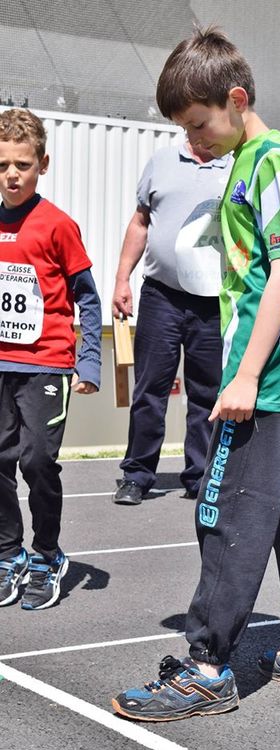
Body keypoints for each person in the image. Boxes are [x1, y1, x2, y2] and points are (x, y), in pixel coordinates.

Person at [112, 26, 280, 722]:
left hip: (268, 378)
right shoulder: (248, 159)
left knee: (225, 513)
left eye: (198, 124)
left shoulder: (270, 163)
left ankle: (207, 667)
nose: (193, 141)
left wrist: (243, 376)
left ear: (236, 100)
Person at [0, 109, 101, 610]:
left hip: (45, 363)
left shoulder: (58, 225)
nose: (12, 175)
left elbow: (89, 298)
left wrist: (90, 362)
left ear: (43, 164)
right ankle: (8, 553)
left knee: (36, 459)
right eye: (2, 165)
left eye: (22, 164)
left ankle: (46, 555)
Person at [111, 139, 232, 505]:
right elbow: (140, 222)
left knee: (207, 393)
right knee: (149, 389)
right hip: (161, 295)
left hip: (213, 300)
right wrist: (121, 279)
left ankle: (200, 476)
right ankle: (136, 475)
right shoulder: (162, 161)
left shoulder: (235, 164)